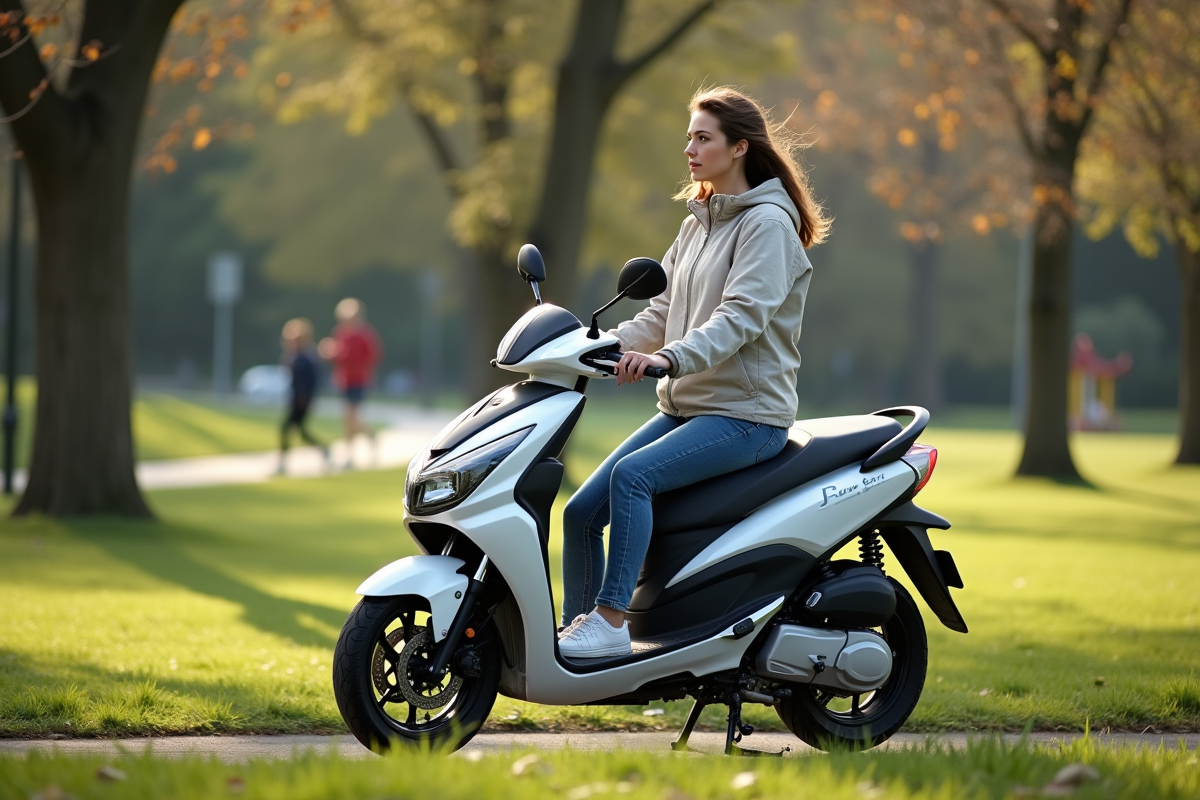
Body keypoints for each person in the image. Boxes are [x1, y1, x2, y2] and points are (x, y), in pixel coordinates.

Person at [557, 87, 831, 658]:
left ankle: (610, 624)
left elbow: (741, 317)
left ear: (738, 147)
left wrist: (669, 359)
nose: (690, 148)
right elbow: (661, 312)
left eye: (703, 137)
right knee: (583, 511)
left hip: (746, 414)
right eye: (689, 137)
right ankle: (580, 641)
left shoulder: (767, 226)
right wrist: (596, 346)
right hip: (687, 407)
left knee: (632, 478)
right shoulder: (700, 220)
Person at [319, 297, 383, 468]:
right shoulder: (340, 332)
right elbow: (337, 354)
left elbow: (372, 356)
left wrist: (350, 359)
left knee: (351, 417)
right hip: (344, 379)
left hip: (359, 379)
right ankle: (353, 451)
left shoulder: (365, 334)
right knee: (347, 419)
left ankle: (367, 437)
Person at [277, 318, 330, 474]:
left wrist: (304, 397)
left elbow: (311, 381)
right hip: (295, 398)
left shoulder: (307, 358)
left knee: (286, 428)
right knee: (300, 431)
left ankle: (283, 462)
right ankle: (323, 448)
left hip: (302, 399)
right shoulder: (295, 356)